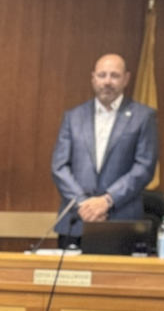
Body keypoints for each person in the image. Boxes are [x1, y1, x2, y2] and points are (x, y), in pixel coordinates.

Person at [48, 52, 157, 240]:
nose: (107, 81)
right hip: (76, 221)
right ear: (93, 79)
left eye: (114, 76)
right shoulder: (73, 117)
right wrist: (84, 205)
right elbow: (59, 167)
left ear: (126, 79)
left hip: (122, 223)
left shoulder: (143, 117)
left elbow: (144, 167)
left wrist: (108, 200)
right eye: (102, 75)